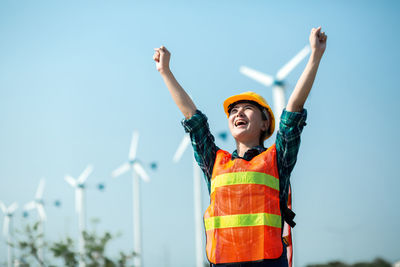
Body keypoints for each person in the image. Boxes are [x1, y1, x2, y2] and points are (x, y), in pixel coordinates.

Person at [153, 27, 327, 267]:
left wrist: (314, 57)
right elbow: (193, 119)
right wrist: (165, 72)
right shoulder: (214, 162)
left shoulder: (278, 159)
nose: (238, 113)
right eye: (233, 111)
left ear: (265, 122)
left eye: (247, 108)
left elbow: (293, 112)